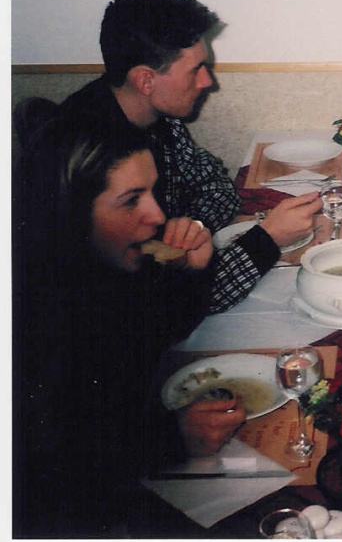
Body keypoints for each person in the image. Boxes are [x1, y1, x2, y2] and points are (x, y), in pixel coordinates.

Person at [13, 114, 246, 536]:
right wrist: (171, 439)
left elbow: (157, 331)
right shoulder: (32, 313)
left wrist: (192, 271)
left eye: (152, 192)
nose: (157, 214)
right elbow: (48, 473)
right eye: (131, 200)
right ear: (70, 212)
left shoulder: (101, 264)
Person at [57, 0, 322, 314]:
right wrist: (266, 240)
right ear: (145, 81)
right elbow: (170, 306)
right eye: (195, 69)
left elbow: (216, 187)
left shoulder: (157, 116)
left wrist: (189, 229)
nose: (207, 81)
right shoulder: (89, 155)